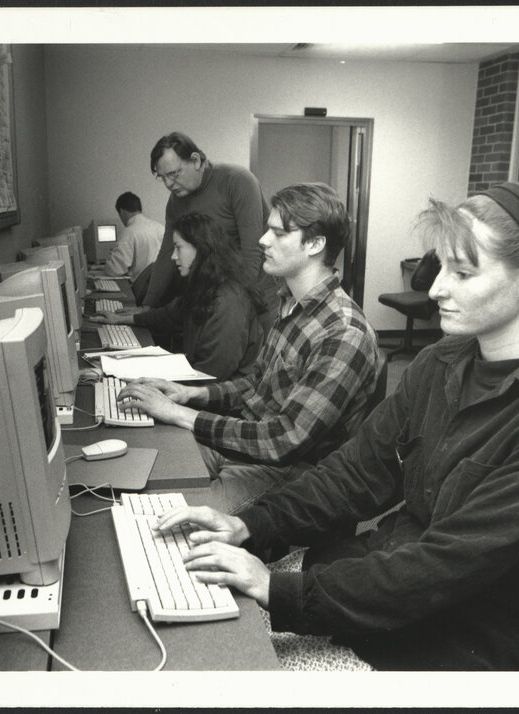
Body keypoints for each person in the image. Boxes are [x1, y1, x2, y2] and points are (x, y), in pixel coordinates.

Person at [154, 182, 519, 671]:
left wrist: (274, 588)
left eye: (462, 272)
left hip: (458, 642)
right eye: (441, 265)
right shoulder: (442, 361)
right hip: (382, 587)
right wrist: (248, 525)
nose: (436, 288)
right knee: (198, 615)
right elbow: (354, 474)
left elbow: (447, 565)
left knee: (220, 669)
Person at [118, 183, 380, 514]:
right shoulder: (289, 303)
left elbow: (284, 439)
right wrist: (188, 395)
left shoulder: (343, 332)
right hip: (247, 445)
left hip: (288, 471)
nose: (262, 240)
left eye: (278, 233)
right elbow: (256, 385)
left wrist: (180, 414)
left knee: (162, 520)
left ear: (315, 244)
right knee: (138, 474)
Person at [91, 212, 265, 381]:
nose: (174, 256)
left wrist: (152, 381)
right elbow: (168, 316)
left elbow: (211, 376)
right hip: (199, 383)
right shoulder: (204, 285)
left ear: (201, 248)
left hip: (216, 399)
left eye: (178, 247)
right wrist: (122, 319)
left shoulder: (228, 302)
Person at [142, 132, 279, 321]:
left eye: (173, 174)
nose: (168, 183)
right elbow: (167, 253)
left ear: (196, 161)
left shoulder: (238, 181)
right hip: (219, 291)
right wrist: (147, 306)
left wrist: (235, 302)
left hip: (257, 288)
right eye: (162, 177)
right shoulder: (176, 202)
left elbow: (252, 250)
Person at [101, 191, 164, 281]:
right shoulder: (160, 228)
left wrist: (107, 266)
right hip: (162, 286)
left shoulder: (129, 232)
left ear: (122, 212)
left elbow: (115, 270)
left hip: (141, 288)